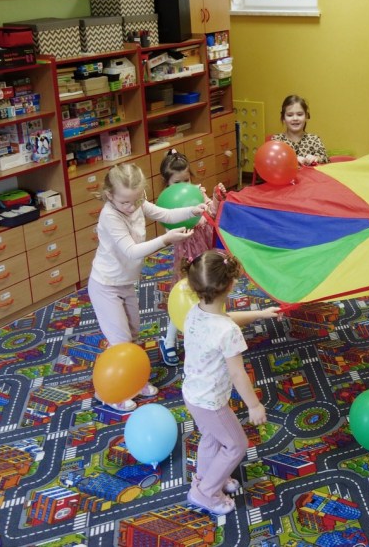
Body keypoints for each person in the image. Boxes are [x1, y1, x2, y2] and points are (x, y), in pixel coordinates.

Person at [88, 162, 204, 411]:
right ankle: (109, 392)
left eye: (136, 200)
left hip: (126, 283)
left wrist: (193, 209)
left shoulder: (137, 202)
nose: (131, 207)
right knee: (120, 341)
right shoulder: (110, 216)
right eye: (125, 203)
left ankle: (134, 380)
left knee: (133, 335)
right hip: (105, 285)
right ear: (109, 195)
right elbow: (131, 251)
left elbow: (166, 215)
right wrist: (166, 239)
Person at [182, 250, 280, 515]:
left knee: (212, 438)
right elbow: (238, 374)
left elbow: (226, 319)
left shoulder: (195, 312)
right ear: (230, 285)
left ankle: (208, 477)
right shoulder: (228, 332)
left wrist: (261, 314)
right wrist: (254, 405)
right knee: (236, 445)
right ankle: (205, 492)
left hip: (192, 394)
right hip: (211, 402)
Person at [159, 149, 227, 367]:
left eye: (186, 180)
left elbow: (212, 213)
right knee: (183, 295)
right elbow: (170, 227)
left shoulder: (197, 193)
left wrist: (216, 198)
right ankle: (169, 340)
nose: (183, 186)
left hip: (204, 251)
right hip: (187, 255)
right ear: (167, 184)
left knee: (208, 293)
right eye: (177, 182)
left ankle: (210, 337)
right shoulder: (168, 202)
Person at [271, 94, 329, 166]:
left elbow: (326, 158)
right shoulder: (277, 141)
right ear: (283, 118)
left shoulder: (314, 140)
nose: (295, 118)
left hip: (309, 174)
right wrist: (292, 159)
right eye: (290, 115)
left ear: (306, 116)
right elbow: (272, 161)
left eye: (299, 114)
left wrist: (317, 158)